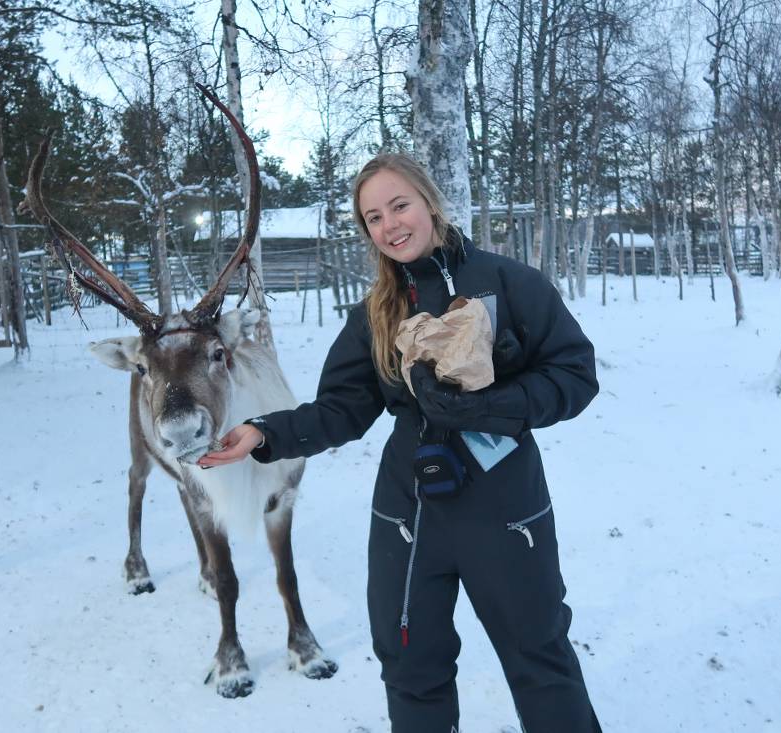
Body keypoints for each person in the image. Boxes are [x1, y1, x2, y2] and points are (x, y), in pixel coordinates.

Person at [199, 152, 602, 733]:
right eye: (373, 218)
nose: (390, 225)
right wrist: (265, 432)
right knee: (410, 665)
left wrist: (490, 406)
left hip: (506, 510)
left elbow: (573, 375)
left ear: (429, 202)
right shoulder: (375, 314)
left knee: (540, 658)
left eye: (399, 205)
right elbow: (343, 407)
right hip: (408, 515)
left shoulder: (510, 284)